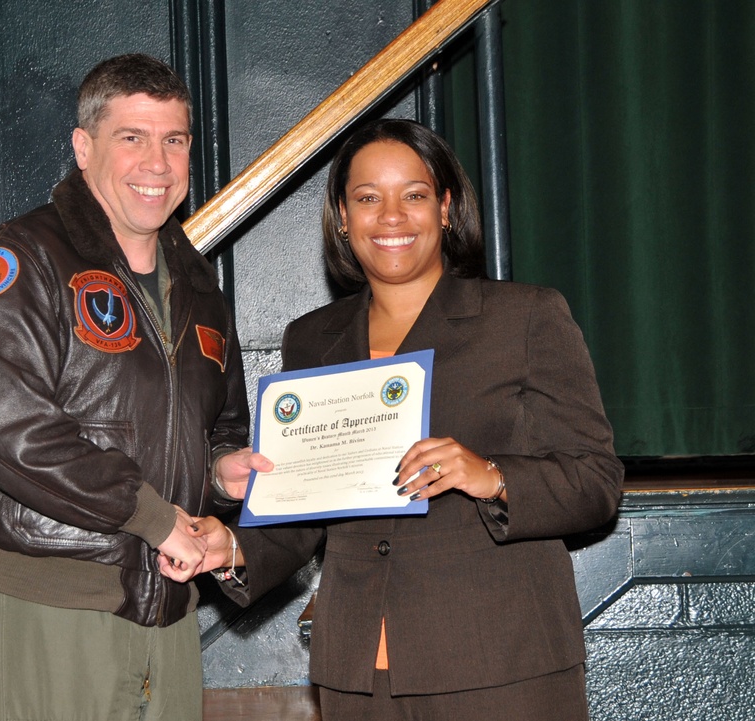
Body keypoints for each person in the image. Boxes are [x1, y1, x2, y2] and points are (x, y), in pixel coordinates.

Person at [167, 118, 624, 720]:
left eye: (413, 195)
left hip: (499, 667)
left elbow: (596, 484)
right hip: (357, 673)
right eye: (367, 198)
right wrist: (228, 546)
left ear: (445, 208)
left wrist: (489, 475)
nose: (391, 217)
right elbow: (307, 507)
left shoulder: (526, 318)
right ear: (342, 217)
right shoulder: (312, 339)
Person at [0, 53, 270, 721]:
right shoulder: (18, 262)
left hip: (170, 602)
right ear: (83, 148)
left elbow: (216, 428)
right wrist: (151, 516)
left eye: (174, 140)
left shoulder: (199, 286)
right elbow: (9, 431)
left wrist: (224, 471)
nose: (158, 162)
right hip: (50, 599)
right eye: (133, 138)